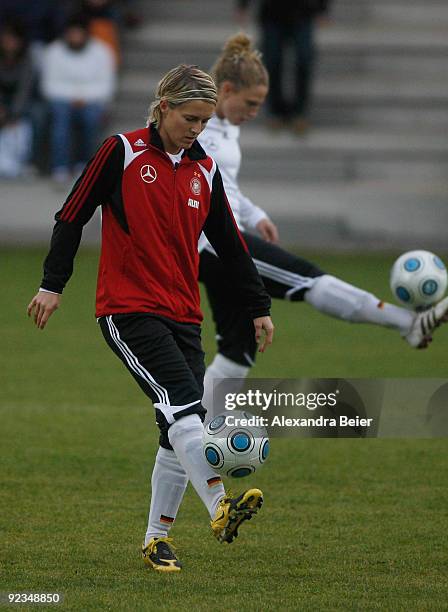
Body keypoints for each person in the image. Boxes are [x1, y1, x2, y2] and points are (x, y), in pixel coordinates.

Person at [27, 64, 274, 572]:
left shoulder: (204, 169)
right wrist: (53, 285)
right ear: (163, 107)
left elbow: (229, 241)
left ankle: (156, 540)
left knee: (173, 430)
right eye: (190, 118)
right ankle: (220, 506)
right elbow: (72, 214)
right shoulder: (121, 150)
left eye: (205, 121)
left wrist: (258, 306)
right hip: (127, 308)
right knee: (186, 409)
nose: (197, 129)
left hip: (184, 312)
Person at [197, 34, 448, 415]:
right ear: (226, 90)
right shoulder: (200, 129)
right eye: (250, 103)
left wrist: (255, 215)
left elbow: (224, 185)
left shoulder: (225, 127)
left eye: (260, 105)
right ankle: (408, 324)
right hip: (216, 246)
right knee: (308, 279)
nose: (254, 112)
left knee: (238, 351)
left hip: (222, 239)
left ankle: (194, 435)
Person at [40, 13, 116, 183]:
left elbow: (106, 86)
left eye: (78, 33)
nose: (75, 37)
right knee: (61, 121)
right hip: (62, 102)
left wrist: (83, 97)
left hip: (91, 102)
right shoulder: (53, 52)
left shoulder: (102, 52)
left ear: (86, 34)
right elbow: (48, 86)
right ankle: (60, 167)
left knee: (91, 118)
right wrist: (73, 97)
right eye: (71, 33)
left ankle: (84, 164)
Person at [236, 0, 331, 133]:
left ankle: (299, 112)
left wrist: (323, 7)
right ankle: (276, 111)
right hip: (271, 13)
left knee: (304, 60)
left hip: (303, 12)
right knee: (273, 62)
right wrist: (243, 5)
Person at [0, 20, 34, 177]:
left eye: (13, 39)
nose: (9, 43)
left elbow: (24, 91)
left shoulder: (27, 59)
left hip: (21, 103)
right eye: (6, 38)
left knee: (37, 115)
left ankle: (27, 161)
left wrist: (13, 114)